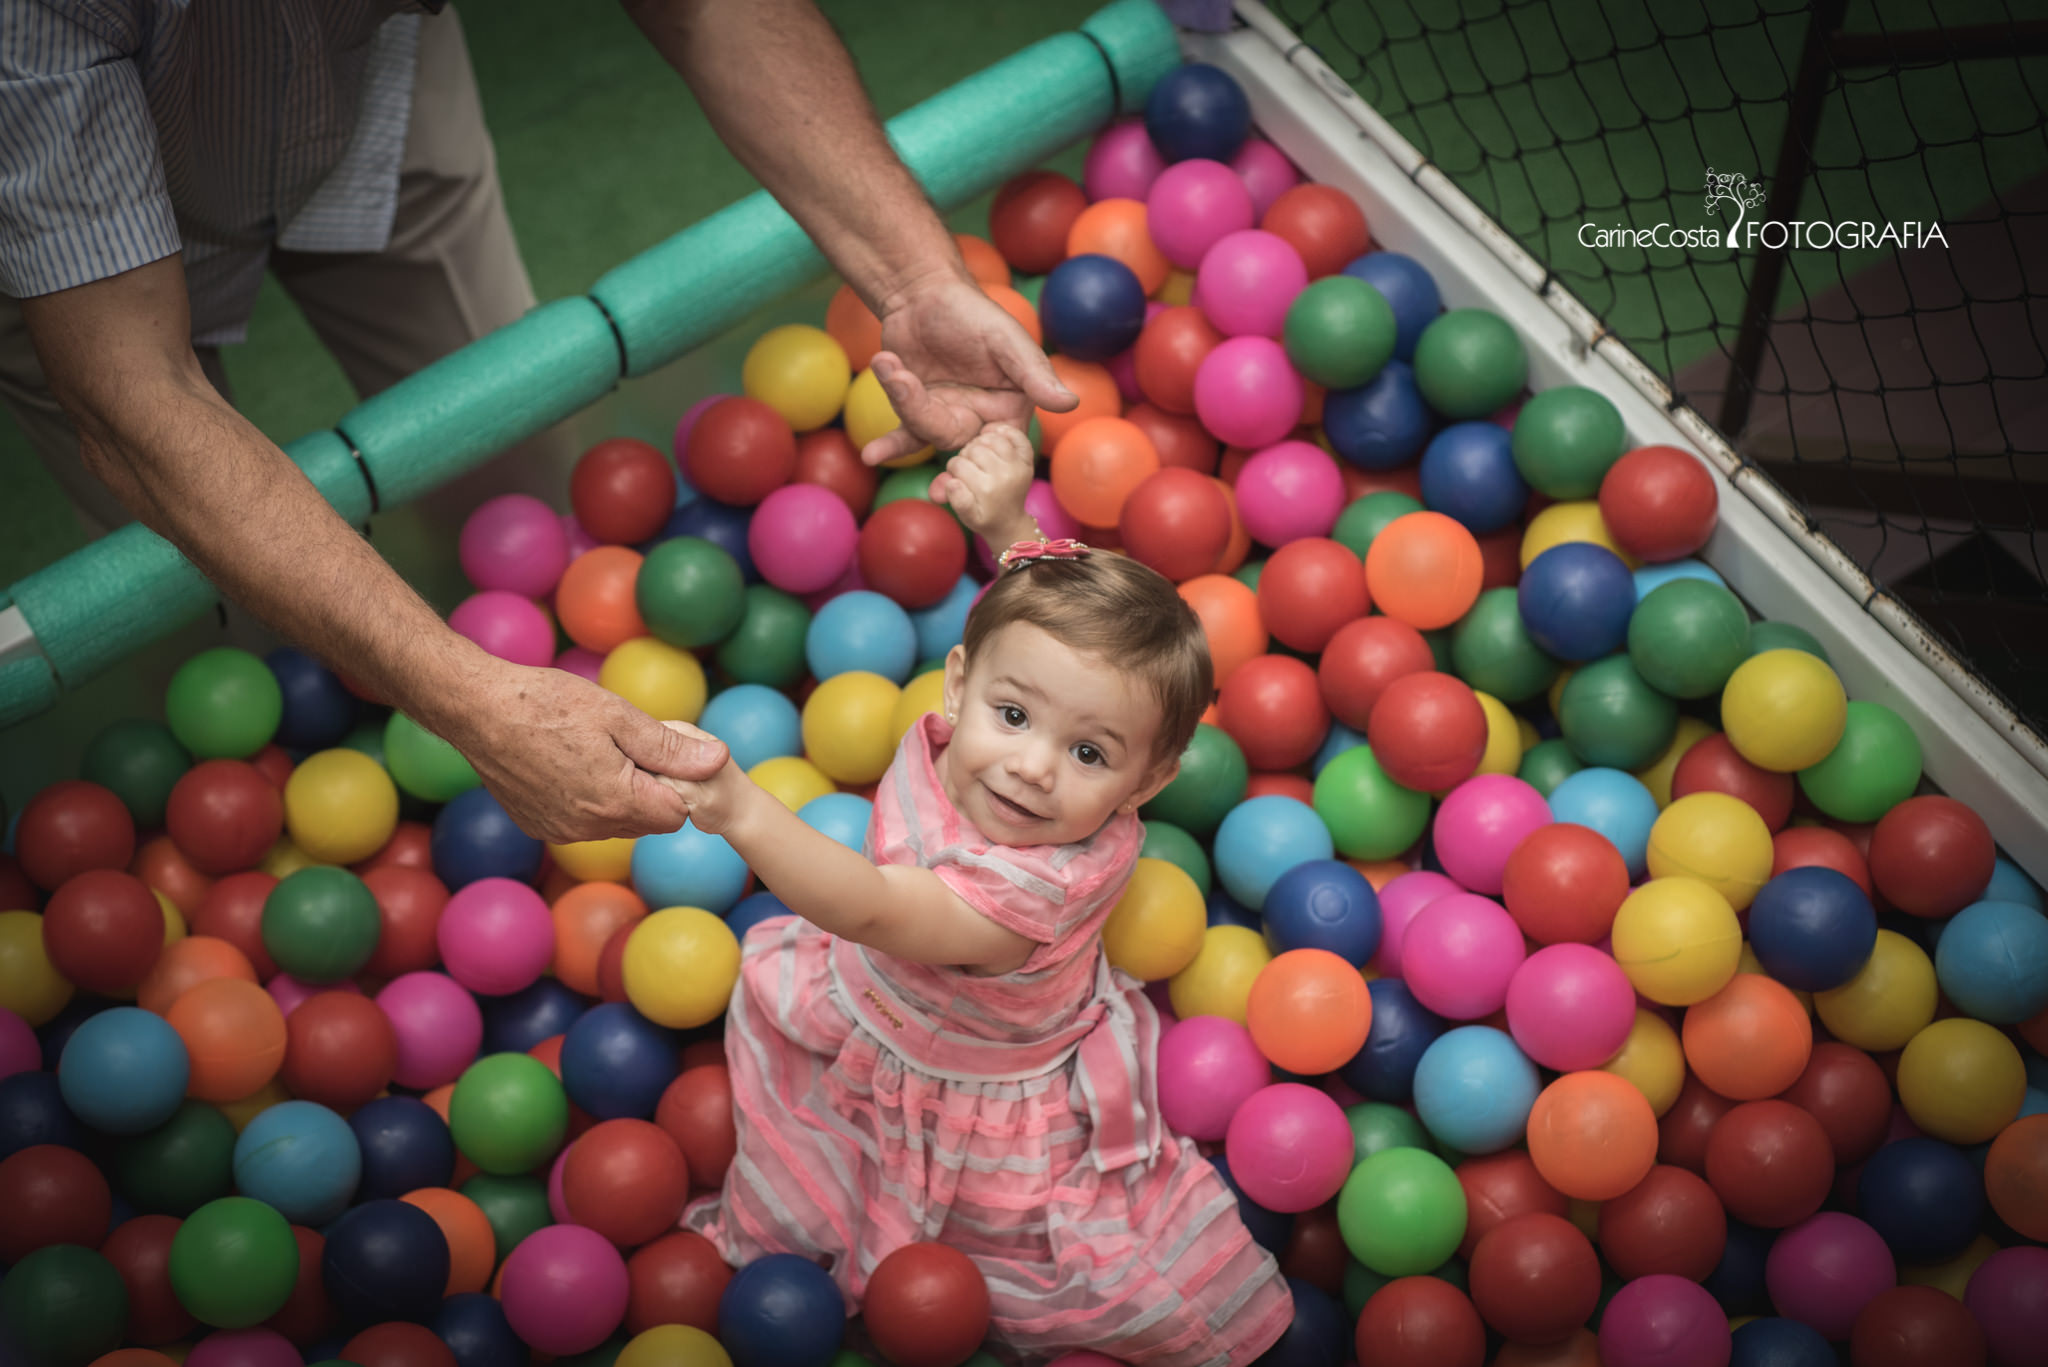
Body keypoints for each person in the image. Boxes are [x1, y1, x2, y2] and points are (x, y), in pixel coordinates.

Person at [0, 0, 1071, 841]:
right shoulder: (38, 29)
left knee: (507, 458)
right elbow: (136, 403)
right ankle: (258, 762)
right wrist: (474, 705)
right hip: (79, 198)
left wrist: (912, 278)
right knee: (200, 611)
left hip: (371, 75)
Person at [657, 422, 1294, 1364]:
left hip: (959, 1089)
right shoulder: (1015, 727)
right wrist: (1006, 524)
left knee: (956, 1262)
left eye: (1090, 752)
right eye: (1014, 713)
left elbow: (874, 908)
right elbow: (1044, 629)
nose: (1033, 765)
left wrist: (743, 809)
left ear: (1148, 783)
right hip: (865, 1008)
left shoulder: (1032, 886)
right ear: (956, 687)